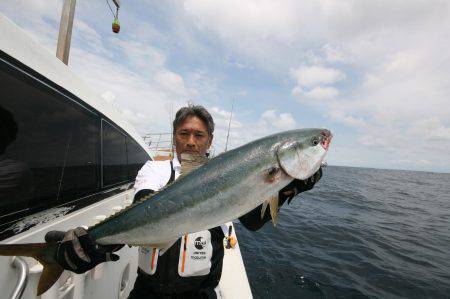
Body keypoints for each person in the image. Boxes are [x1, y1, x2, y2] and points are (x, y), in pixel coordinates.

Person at [46, 105, 322, 299]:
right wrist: (94, 245)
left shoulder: (229, 174)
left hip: (200, 293)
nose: (191, 141)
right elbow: (144, 209)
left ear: (209, 140)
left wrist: (289, 189)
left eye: (199, 135)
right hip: (147, 292)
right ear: (174, 137)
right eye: (183, 133)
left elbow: (252, 221)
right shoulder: (155, 170)